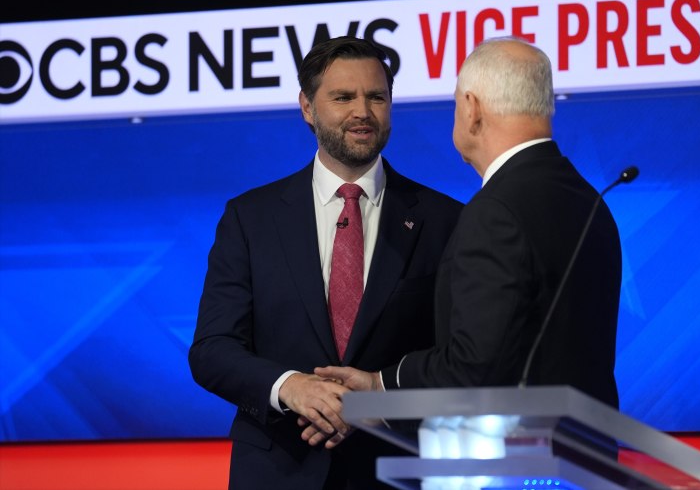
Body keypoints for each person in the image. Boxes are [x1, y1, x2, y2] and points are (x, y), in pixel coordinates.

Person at [188, 36, 463, 490]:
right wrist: (289, 387)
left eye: (377, 97)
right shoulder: (250, 217)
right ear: (308, 107)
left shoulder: (446, 220)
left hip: (397, 470)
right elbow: (212, 349)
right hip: (277, 469)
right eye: (343, 97)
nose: (363, 111)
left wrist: (378, 401)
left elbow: (459, 359)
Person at [314, 36, 623, 435]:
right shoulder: (588, 199)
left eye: (456, 102)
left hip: (518, 461)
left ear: (472, 109)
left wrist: (381, 385)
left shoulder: (495, 212)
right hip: (585, 453)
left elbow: (475, 364)